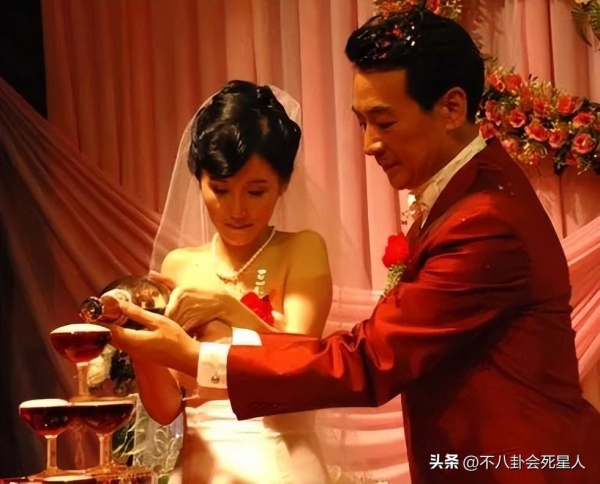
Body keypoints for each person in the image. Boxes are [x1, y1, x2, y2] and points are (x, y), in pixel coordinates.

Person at [110, 9, 600, 484]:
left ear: (452, 108)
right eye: (362, 122)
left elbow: (368, 360)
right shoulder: (465, 195)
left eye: (384, 122)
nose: (368, 144)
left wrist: (196, 355)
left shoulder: (484, 219)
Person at [132, 80, 332, 483]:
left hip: (283, 467)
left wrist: (226, 307)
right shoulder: (179, 265)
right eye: (220, 189)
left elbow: (298, 365)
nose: (236, 209)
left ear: (283, 184)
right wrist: (139, 339)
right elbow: (167, 408)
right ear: (199, 181)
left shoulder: (302, 250)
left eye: (255, 191)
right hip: (199, 469)